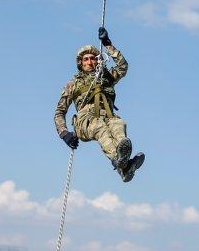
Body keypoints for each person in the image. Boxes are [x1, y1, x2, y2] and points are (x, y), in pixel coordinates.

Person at [54, 27, 144, 182]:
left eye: (93, 58)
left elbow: (123, 67)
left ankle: (124, 164)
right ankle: (120, 159)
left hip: (107, 114)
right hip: (86, 119)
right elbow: (60, 111)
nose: (90, 61)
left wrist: (107, 44)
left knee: (118, 124)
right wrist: (64, 134)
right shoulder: (74, 84)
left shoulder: (106, 77)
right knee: (100, 128)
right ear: (80, 63)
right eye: (86, 59)